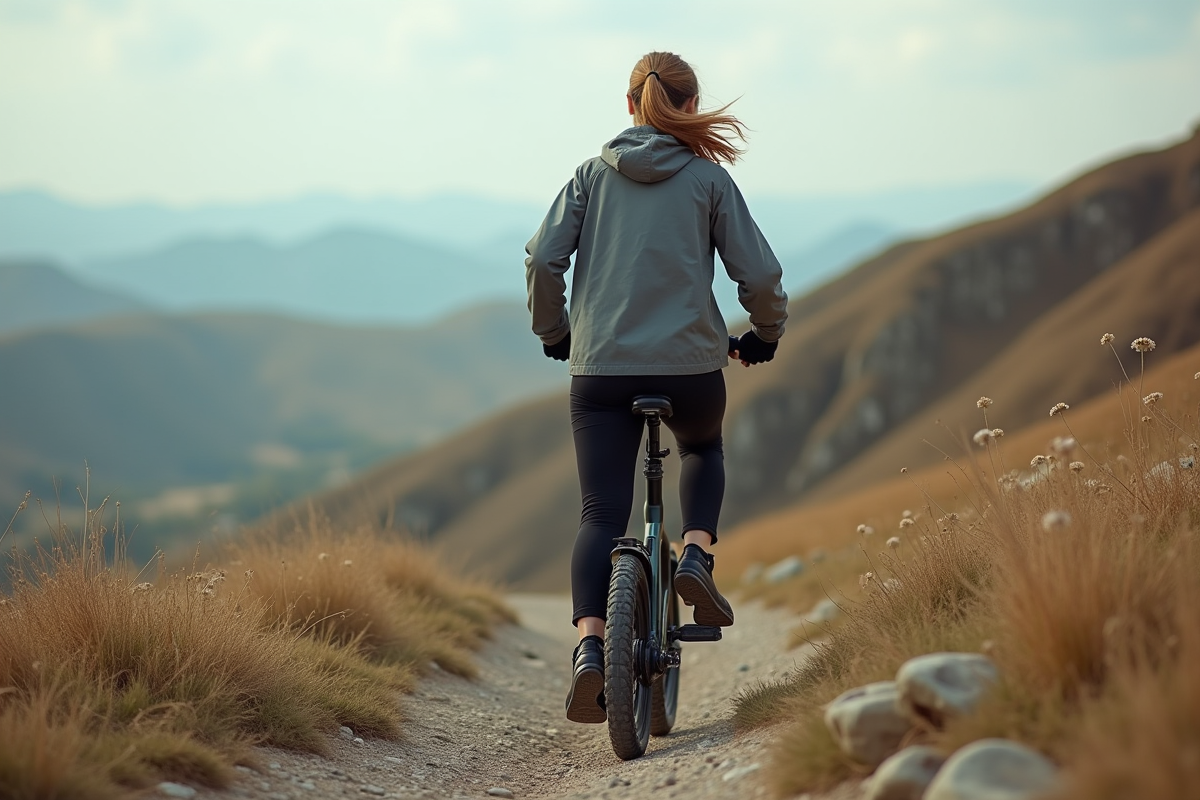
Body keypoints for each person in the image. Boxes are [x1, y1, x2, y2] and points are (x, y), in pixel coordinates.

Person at [524, 51, 787, 724]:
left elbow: (544, 257)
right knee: (702, 449)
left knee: (600, 516)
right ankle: (695, 552)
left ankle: (590, 650)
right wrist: (762, 334)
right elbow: (757, 276)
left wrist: (555, 333)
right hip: (691, 367)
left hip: (602, 370)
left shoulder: (590, 177)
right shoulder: (708, 181)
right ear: (690, 108)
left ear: (630, 103)